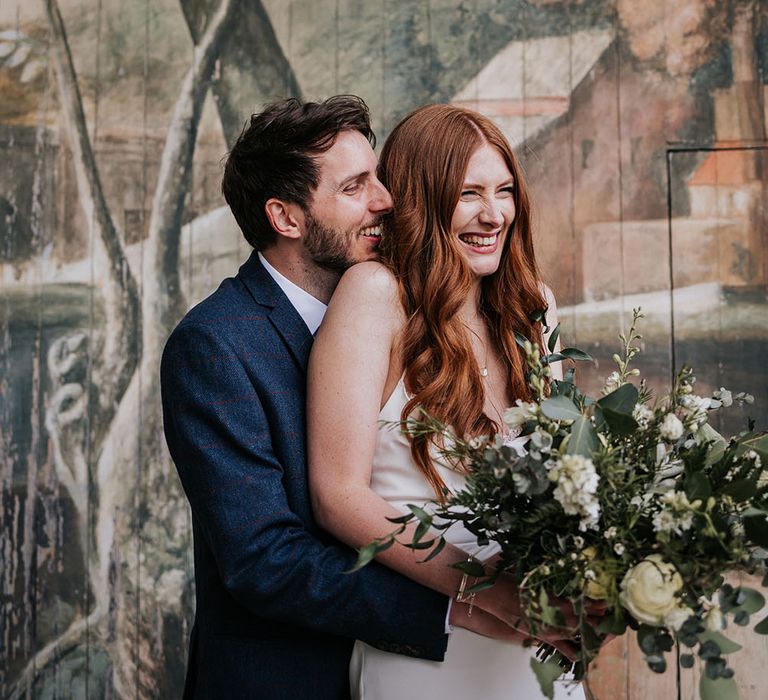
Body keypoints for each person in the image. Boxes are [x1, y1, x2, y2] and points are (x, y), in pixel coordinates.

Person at [160, 96, 521, 700]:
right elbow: (264, 559)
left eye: (377, 177)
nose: (386, 200)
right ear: (287, 218)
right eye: (356, 187)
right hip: (292, 681)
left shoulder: (419, 314)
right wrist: (458, 608)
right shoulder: (215, 344)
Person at [307, 104, 584, 699]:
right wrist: (489, 589)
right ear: (423, 201)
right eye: (469, 194)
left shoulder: (533, 307)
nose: (494, 214)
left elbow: (571, 472)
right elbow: (338, 496)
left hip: (539, 648)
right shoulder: (375, 295)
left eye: (505, 190)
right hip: (433, 649)